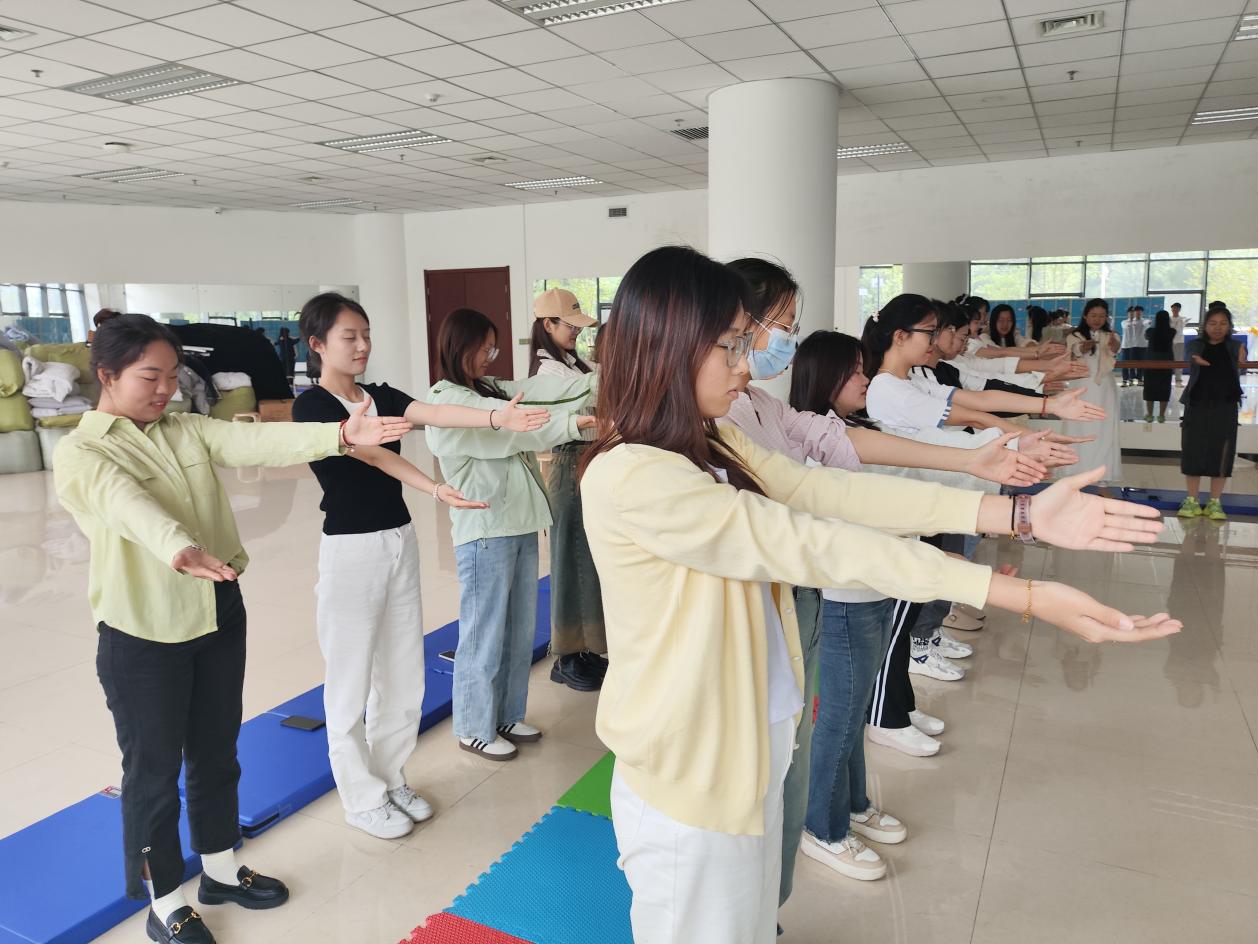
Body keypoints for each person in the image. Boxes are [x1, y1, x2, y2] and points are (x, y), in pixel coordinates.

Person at [581, 246, 1176, 944]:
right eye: (731, 344)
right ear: (667, 347)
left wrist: (1014, 512)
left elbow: (824, 488)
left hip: (748, 746)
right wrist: (1019, 594)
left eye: (747, 341)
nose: (746, 364)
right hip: (694, 772)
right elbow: (812, 541)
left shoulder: (709, 441)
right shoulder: (635, 475)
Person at [54, 314, 413, 944]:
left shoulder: (185, 429)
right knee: (152, 772)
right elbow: (125, 503)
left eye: (172, 375)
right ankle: (165, 901)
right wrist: (177, 546)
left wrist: (338, 434)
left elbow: (256, 444)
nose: (165, 388)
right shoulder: (82, 452)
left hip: (217, 607)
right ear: (107, 375)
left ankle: (220, 868)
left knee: (217, 751)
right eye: (150, 377)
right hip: (144, 631)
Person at [721, 259, 1045, 899]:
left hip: (801, 596)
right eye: (775, 328)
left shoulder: (757, 405)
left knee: (815, 727)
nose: (781, 344)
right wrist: (985, 566)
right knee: (813, 731)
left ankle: (836, 814)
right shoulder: (678, 445)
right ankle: (822, 826)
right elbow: (815, 516)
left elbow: (828, 471)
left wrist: (978, 475)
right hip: (790, 600)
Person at [293, 293, 548, 839]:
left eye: (366, 335)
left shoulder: (380, 395)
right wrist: (432, 485)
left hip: (398, 540)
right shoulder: (311, 407)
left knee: (403, 675)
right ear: (317, 344)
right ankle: (361, 799)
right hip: (350, 551)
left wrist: (495, 417)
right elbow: (372, 454)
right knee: (350, 681)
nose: (362, 346)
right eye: (349, 337)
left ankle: (390, 779)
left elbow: (432, 411)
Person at [426, 308, 597, 760]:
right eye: (483, 348)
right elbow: (509, 434)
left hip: (519, 522)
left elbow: (536, 390)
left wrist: (597, 382)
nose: (489, 357)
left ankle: (504, 713)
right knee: (483, 634)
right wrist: (575, 423)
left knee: (518, 631)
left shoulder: (488, 388)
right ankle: (473, 726)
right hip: (485, 529)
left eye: (492, 348)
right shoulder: (448, 401)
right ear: (458, 346)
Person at [528, 288, 608, 692]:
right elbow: (598, 393)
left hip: (589, 463)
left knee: (588, 561)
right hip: (569, 464)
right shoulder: (549, 373)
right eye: (570, 325)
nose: (577, 332)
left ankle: (587, 647)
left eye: (579, 326)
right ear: (548, 325)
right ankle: (566, 656)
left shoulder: (575, 363)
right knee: (568, 561)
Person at [1177, 306, 1247, 520]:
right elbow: (1190, 353)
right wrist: (1195, 358)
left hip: (1226, 405)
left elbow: (1242, 360)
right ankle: (1192, 500)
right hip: (1197, 404)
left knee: (1223, 451)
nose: (1218, 328)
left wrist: (1242, 353)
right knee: (1193, 449)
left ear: (1229, 326)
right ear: (1205, 326)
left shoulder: (1234, 345)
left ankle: (1215, 502)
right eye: (1213, 323)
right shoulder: (1196, 344)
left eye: (1223, 323)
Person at [1064, 299, 1123, 483]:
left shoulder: (1111, 335)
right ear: (1085, 316)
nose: (1097, 319)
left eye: (1102, 316)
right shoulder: (1074, 335)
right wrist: (1082, 347)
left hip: (1105, 389)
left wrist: (1113, 345)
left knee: (1104, 428)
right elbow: (1072, 352)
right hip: (1081, 387)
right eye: (1093, 315)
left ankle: (1102, 478)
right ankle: (1075, 475)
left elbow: (1114, 350)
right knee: (1079, 427)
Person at [1142, 310, 1175, 423]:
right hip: (1166, 364)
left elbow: (1146, 336)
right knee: (1164, 388)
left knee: (1150, 388)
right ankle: (1161, 416)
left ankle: (1150, 415)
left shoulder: (1150, 331)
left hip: (1151, 363)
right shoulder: (1172, 331)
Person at [1120, 306, 1148, 386]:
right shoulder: (1124, 322)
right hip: (1126, 345)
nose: (1132, 314)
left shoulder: (1142, 321)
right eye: (1130, 313)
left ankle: (1137, 379)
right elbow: (1127, 327)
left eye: (1133, 312)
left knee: (1137, 363)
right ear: (1128, 313)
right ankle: (1125, 379)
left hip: (1136, 345)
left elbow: (1146, 324)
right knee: (1125, 363)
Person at [1170, 302, 1188, 386]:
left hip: (1179, 342)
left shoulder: (1182, 319)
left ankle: (1178, 380)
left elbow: (1183, 324)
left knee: (1179, 361)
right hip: (1170, 342)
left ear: (1179, 309)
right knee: (1168, 361)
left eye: (1176, 308)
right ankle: (1167, 379)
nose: (1174, 310)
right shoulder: (1168, 319)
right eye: (1173, 308)